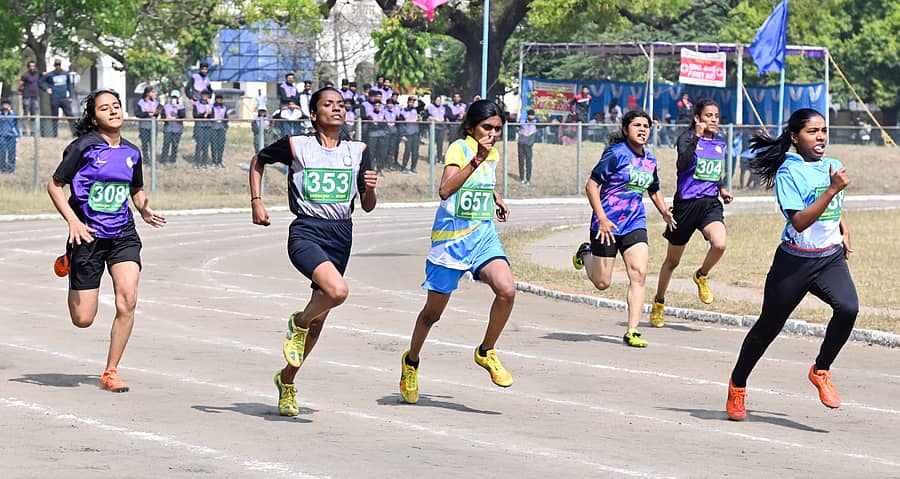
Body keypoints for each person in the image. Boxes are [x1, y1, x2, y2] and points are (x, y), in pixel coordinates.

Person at [248, 87, 377, 417]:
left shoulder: (359, 150)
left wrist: (371, 190)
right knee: (338, 291)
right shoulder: (297, 145)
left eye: (342, 105)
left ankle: (287, 381)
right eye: (328, 104)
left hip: (341, 235)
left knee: (321, 320)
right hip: (306, 231)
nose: (337, 109)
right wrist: (257, 202)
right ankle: (298, 321)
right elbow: (258, 160)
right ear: (314, 114)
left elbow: (367, 206)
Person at [725, 108, 857, 421]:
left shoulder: (834, 166)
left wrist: (843, 227)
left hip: (829, 259)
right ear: (796, 137)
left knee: (849, 308)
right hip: (794, 263)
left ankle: (820, 370)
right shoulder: (788, 171)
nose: (821, 137)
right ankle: (737, 385)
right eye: (813, 132)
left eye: (823, 130)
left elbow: (830, 210)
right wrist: (832, 189)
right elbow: (799, 221)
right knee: (767, 328)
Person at [47, 89, 166, 393]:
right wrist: (73, 222)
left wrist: (143, 207)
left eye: (116, 106)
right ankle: (70, 260)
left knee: (128, 300)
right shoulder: (83, 147)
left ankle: (111, 371)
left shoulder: (131, 151)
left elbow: (136, 189)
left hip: (123, 234)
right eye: (105, 108)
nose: (113, 111)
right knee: (83, 319)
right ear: (93, 116)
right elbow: (55, 185)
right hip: (87, 235)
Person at [399, 100, 516, 404]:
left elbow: (483, 182)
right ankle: (411, 362)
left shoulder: (493, 154)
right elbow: (446, 189)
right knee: (431, 315)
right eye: (486, 128)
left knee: (507, 290)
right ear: (471, 127)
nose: (492, 134)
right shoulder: (460, 149)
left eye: (497, 130)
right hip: (451, 242)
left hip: (482, 235)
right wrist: (476, 158)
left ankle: (485, 350)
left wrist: (496, 197)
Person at [571, 110, 676, 347]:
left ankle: (632, 330)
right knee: (602, 283)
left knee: (638, 273)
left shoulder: (650, 160)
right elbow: (592, 185)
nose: (642, 130)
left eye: (646, 126)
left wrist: (664, 211)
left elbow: (654, 188)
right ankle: (585, 252)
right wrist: (602, 217)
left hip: (634, 222)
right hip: (606, 224)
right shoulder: (616, 154)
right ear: (626, 129)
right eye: (637, 125)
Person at [649, 100, 734, 327]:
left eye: (716, 115)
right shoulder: (686, 138)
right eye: (708, 115)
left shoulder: (719, 144)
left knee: (720, 244)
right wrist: (696, 137)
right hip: (686, 206)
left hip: (709, 204)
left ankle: (701, 275)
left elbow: (716, 172)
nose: (714, 119)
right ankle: (658, 303)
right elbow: (683, 165)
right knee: (672, 261)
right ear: (697, 118)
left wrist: (722, 188)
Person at [39, 59, 76, 137]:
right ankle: (55, 134)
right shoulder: (50, 75)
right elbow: (40, 82)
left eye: (59, 65)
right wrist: (46, 89)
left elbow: (70, 86)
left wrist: (71, 96)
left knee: (70, 116)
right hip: (55, 98)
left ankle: (75, 133)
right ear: (54, 66)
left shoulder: (66, 74)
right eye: (56, 65)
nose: (58, 66)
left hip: (64, 98)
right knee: (55, 117)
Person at [134, 86, 160, 163]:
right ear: (147, 93)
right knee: (145, 144)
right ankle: (146, 159)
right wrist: (147, 113)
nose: (153, 94)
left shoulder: (155, 102)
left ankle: (153, 160)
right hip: (144, 126)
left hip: (153, 126)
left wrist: (155, 113)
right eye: (152, 92)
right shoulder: (140, 102)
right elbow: (138, 114)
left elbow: (158, 112)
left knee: (153, 144)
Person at [161, 90, 185, 164]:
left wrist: (178, 108)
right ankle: (164, 159)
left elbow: (182, 115)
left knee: (175, 145)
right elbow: (162, 116)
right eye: (173, 97)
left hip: (177, 128)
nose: (174, 99)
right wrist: (166, 117)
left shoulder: (181, 106)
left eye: (175, 97)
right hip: (168, 128)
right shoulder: (166, 106)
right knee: (166, 144)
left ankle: (173, 160)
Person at [18, 61, 41, 136]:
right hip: (27, 96)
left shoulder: (37, 75)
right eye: (31, 66)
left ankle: (33, 132)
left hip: (35, 96)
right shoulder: (25, 75)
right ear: (28, 67)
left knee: (34, 115)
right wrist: (22, 90)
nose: (32, 67)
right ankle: (24, 131)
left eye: (33, 66)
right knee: (25, 114)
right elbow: (20, 85)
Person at [399, 95, 421, 174]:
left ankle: (413, 167)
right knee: (407, 151)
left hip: (416, 133)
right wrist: (402, 135)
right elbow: (401, 125)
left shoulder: (416, 110)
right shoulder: (403, 111)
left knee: (415, 152)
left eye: (413, 102)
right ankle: (403, 167)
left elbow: (422, 105)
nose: (411, 103)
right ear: (407, 102)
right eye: (410, 102)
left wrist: (417, 98)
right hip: (408, 134)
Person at [192, 90, 213, 168]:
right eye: (204, 94)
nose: (205, 96)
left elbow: (213, 116)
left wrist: (209, 114)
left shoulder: (210, 105)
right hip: (200, 126)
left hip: (208, 126)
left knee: (206, 145)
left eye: (207, 95)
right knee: (199, 144)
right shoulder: (196, 104)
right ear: (201, 95)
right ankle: (197, 162)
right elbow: (195, 115)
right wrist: (203, 113)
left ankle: (204, 162)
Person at [517, 109, 537, 185]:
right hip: (521, 144)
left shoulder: (536, 123)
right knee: (521, 162)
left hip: (529, 145)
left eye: (532, 115)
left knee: (529, 162)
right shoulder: (522, 122)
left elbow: (545, 124)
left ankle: (528, 179)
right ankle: (522, 178)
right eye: (530, 115)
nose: (531, 116)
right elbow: (517, 125)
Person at [425, 95, 448, 160]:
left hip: (441, 128)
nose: (438, 102)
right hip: (433, 128)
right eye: (437, 100)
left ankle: (439, 158)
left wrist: (443, 120)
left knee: (440, 144)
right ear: (434, 100)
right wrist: (433, 118)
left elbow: (445, 117)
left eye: (440, 100)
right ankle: (431, 158)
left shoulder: (443, 108)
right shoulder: (430, 107)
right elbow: (426, 117)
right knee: (432, 144)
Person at [0, 99, 20, 173]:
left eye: (7, 104)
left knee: (12, 153)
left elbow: (16, 125)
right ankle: (3, 169)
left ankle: (11, 169)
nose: (5, 106)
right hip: (2, 136)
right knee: (2, 153)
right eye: (4, 104)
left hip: (11, 136)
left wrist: (17, 136)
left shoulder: (13, 115)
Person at [210, 95, 229, 168]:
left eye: (221, 99)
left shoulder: (224, 107)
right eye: (218, 99)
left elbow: (226, 118)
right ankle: (214, 161)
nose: (219, 100)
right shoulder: (212, 107)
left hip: (221, 128)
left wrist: (226, 126)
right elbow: (210, 117)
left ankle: (220, 161)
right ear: (215, 100)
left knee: (221, 145)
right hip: (214, 128)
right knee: (214, 145)